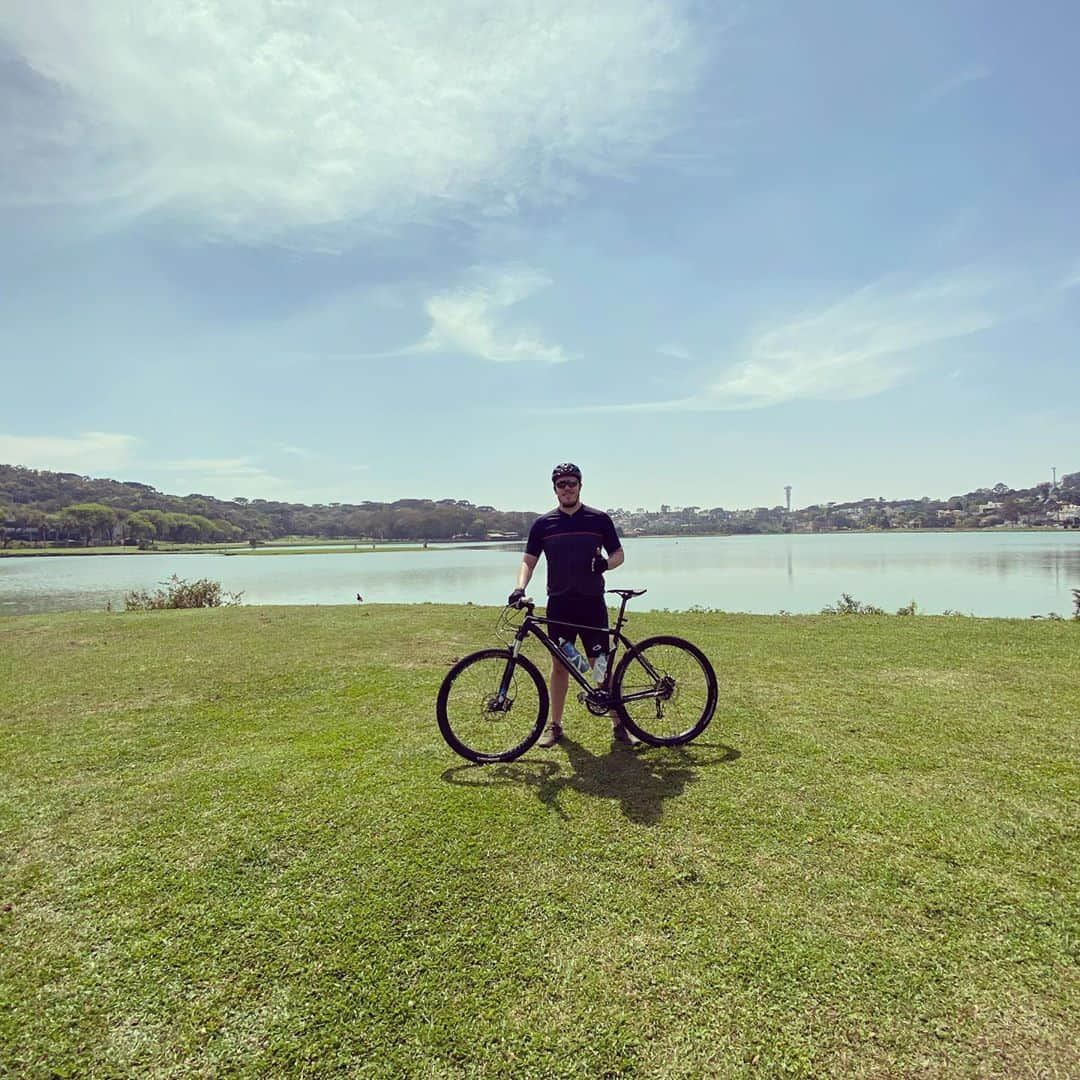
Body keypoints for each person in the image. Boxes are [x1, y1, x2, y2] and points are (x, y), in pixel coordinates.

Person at [508, 463, 637, 747]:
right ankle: (555, 726)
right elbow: (528, 560)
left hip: (592, 603)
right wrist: (520, 587)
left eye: (572, 483)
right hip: (560, 605)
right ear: (554, 489)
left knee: (599, 665)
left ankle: (620, 724)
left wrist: (606, 563)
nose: (567, 488)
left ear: (580, 485)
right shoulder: (543, 524)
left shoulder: (599, 519)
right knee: (560, 665)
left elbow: (619, 554)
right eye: (561, 484)